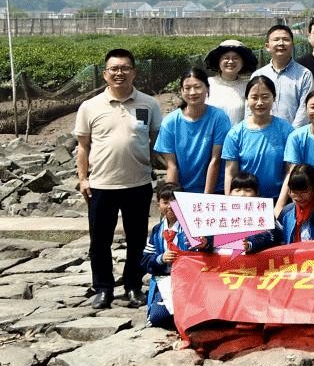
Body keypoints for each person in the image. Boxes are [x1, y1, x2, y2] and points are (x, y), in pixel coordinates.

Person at [75, 48, 162, 310]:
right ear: (105, 74)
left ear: (134, 72)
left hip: (138, 183)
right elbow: (83, 147)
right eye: (114, 69)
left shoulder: (149, 104)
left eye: (125, 68)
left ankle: (133, 286)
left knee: (137, 240)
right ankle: (103, 288)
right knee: (99, 241)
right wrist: (83, 179)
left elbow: (155, 142)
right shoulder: (90, 106)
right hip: (101, 185)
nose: (119, 73)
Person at [154, 69, 230, 194]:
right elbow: (172, 166)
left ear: (207, 88)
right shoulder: (170, 122)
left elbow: (215, 160)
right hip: (182, 190)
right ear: (181, 91)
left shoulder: (219, 118)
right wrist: (172, 197)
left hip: (215, 191)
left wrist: (206, 198)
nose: (193, 92)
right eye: (187, 88)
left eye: (197, 87)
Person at [222, 76, 293, 201]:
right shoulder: (235, 134)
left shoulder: (286, 131)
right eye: (254, 97)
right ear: (247, 99)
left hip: (278, 199)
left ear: (274, 98)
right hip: (245, 201)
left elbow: (290, 171)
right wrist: (230, 203)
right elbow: (230, 173)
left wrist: (280, 205)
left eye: (265, 97)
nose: (260, 102)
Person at [245, 164, 314, 252]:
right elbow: (272, 236)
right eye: (294, 192)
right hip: (293, 260)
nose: (299, 197)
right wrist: (251, 243)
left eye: (304, 192)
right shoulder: (287, 212)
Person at [141, 182, 192, 329]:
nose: (170, 206)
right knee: (158, 318)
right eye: (165, 202)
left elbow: (204, 250)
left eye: (174, 201)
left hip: (189, 280)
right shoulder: (157, 231)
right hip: (165, 279)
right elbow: (145, 260)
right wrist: (160, 259)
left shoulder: (191, 227)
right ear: (158, 205)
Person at [250, 24, 314, 128]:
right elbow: (250, 107)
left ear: (292, 45)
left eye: (285, 39)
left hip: (294, 134)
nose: (281, 43)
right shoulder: (258, 75)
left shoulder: (304, 74)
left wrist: (292, 134)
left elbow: (305, 108)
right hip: (263, 133)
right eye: (276, 40)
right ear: (267, 46)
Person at [204, 39, 259, 126]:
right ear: (219, 62)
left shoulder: (248, 87)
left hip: (239, 134)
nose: (230, 61)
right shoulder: (208, 84)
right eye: (226, 58)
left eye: (235, 58)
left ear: (243, 63)